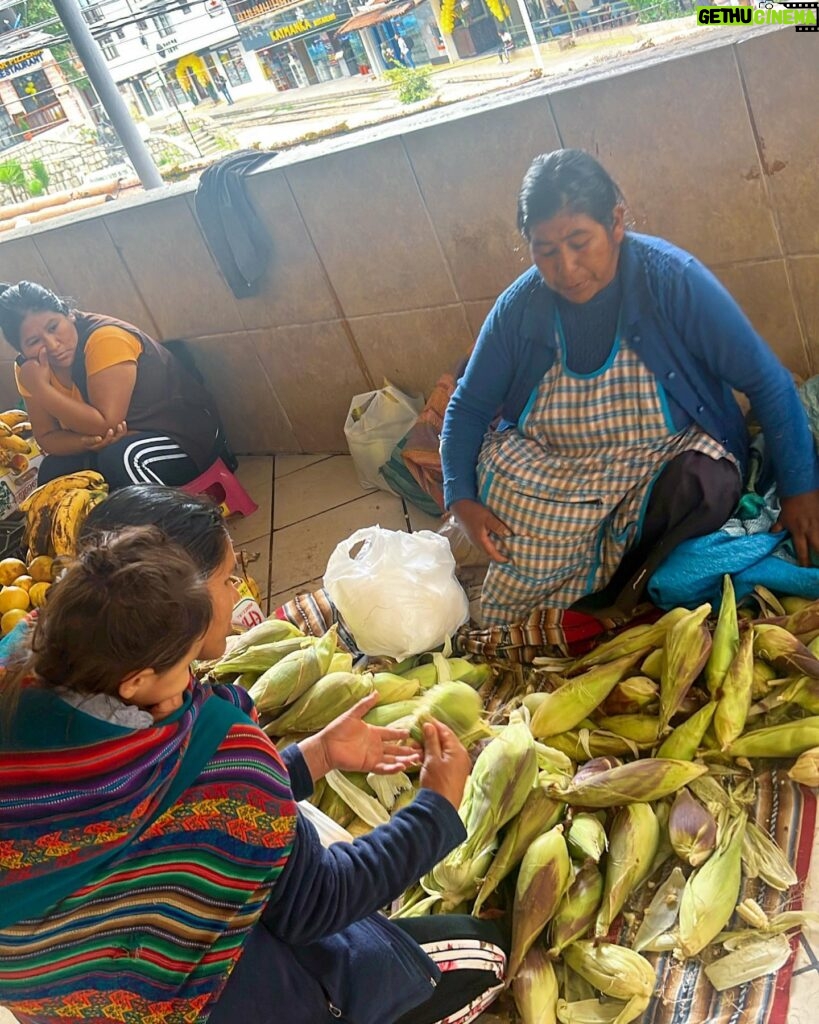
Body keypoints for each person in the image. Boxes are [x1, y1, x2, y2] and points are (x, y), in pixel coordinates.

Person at [0, 496, 508, 1024]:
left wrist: (313, 756)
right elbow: (317, 904)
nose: (238, 589)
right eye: (226, 579)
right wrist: (437, 807)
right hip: (213, 1002)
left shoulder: (27, 679)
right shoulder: (221, 754)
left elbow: (179, 818)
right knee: (483, 952)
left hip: (70, 1002)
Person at [440, 149, 819, 627]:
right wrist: (462, 500)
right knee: (495, 480)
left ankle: (619, 590)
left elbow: (766, 380)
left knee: (706, 484)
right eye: (546, 251)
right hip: (562, 469)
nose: (567, 267)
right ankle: (580, 584)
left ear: (616, 223)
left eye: (580, 241)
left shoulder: (672, 279)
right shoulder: (520, 307)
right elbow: (468, 407)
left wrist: (800, 491)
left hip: (660, 455)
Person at [0, 281, 223, 489]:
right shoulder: (29, 368)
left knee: (124, 459)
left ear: (68, 314)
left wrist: (42, 390)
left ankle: (173, 527)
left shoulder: (104, 339)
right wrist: (85, 443)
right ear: (21, 349)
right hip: (110, 445)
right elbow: (47, 437)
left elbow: (104, 423)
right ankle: (101, 531)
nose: (52, 345)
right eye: (33, 342)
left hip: (182, 437)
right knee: (55, 472)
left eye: (53, 327)